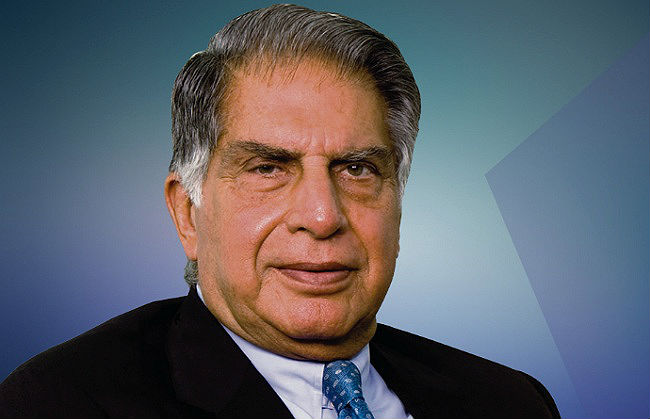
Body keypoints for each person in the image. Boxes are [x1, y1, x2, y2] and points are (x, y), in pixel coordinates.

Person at [0, 4, 559, 418]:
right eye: (267, 168)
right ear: (188, 214)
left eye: (357, 169)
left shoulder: (510, 402)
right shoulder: (56, 403)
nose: (322, 216)